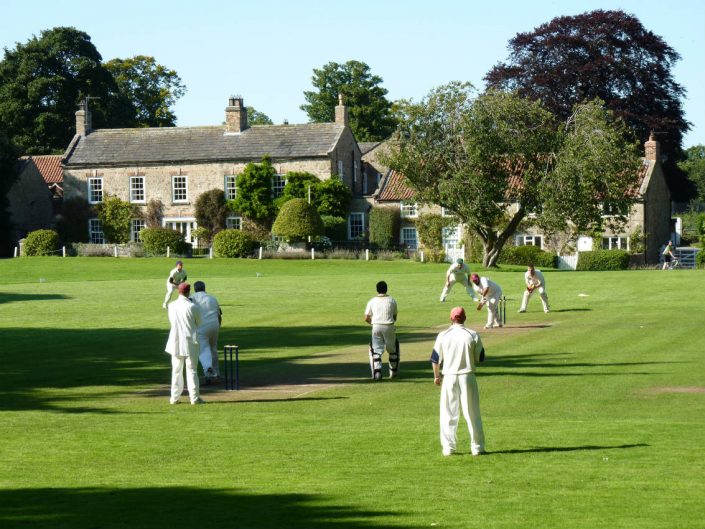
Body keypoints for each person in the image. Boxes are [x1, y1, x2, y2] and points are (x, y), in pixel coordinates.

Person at [430, 306, 486, 456]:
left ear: (451, 319)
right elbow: (480, 358)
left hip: (449, 376)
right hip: (467, 376)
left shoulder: (443, 335)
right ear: (465, 318)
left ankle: (448, 448)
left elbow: (435, 359)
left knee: (448, 413)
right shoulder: (472, 334)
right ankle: (477, 447)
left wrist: (436, 376)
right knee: (472, 412)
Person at [165, 282, 204, 405]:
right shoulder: (193, 306)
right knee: (192, 370)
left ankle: (174, 398)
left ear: (179, 292)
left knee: (176, 370)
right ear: (188, 292)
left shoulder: (172, 305)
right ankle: (194, 398)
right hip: (189, 342)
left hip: (175, 341)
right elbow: (199, 323)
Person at [364, 281, 399, 380]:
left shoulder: (372, 301)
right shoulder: (392, 300)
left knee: (376, 350)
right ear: (386, 289)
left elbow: (366, 317)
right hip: (389, 326)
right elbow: (395, 316)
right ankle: (393, 372)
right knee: (392, 350)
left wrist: (373, 323)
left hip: (376, 326)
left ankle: (377, 374)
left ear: (377, 289)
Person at [192, 281, 222, 383]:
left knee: (203, 349)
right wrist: (218, 327)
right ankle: (217, 373)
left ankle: (208, 369)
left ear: (195, 289)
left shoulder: (192, 298)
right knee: (213, 348)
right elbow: (219, 314)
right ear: (204, 288)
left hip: (201, 327)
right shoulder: (212, 298)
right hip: (214, 325)